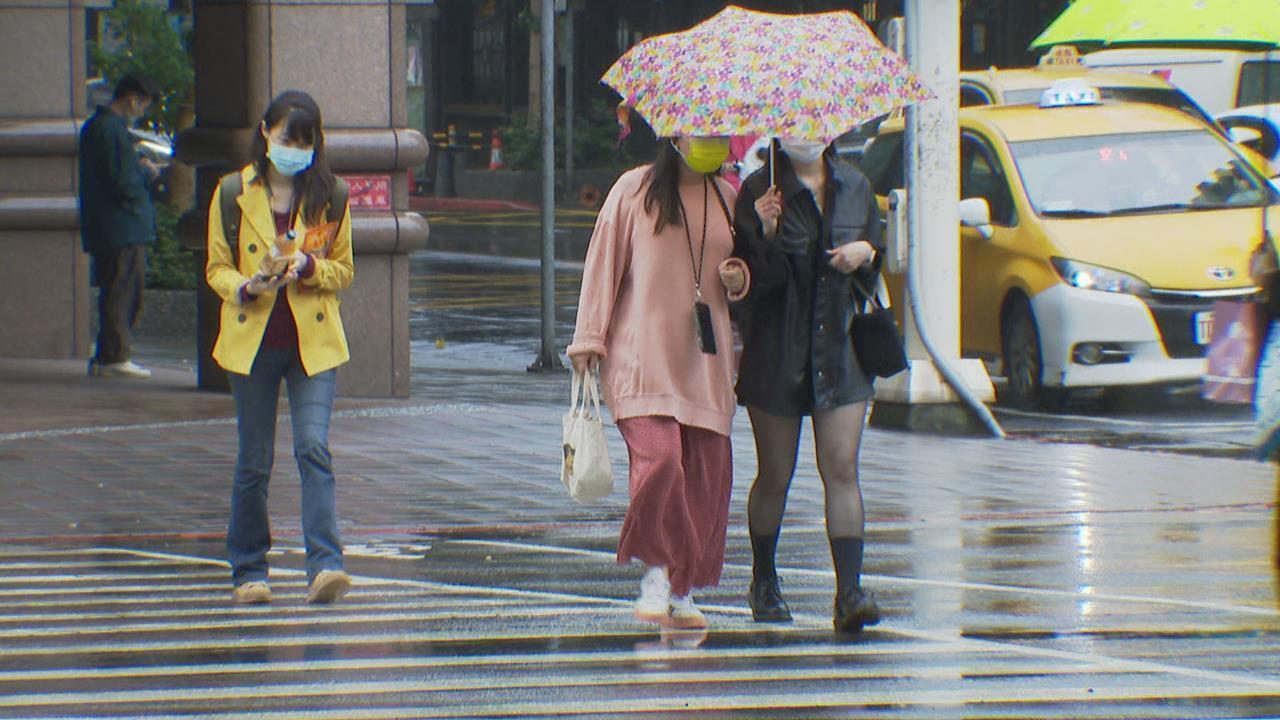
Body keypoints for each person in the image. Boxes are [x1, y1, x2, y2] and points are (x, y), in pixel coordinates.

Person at [568, 136, 750, 629]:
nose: (711, 142)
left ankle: (681, 588)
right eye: (701, 132)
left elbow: (747, 275)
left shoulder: (729, 198)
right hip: (641, 358)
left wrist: (740, 278)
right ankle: (657, 573)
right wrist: (588, 337)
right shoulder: (634, 189)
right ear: (674, 135)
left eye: (719, 133)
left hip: (705, 363)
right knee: (662, 461)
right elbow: (602, 264)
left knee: (706, 478)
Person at [731, 138, 886, 634]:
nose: (806, 135)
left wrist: (867, 253)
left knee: (841, 467)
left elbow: (876, 258)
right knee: (775, 473)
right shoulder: (759, 190)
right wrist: (767, 232)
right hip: (777, 349)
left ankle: (850, 592)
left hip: (839, 348)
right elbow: (748, 286)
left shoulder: (855, 186)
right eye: (793, 126)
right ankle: (764, 580)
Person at [206, 90, 354, 605]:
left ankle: (326, 566)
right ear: (265, 132)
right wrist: (247, 286)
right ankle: (249, 571)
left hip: (313, 344)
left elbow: (344, 269)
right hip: (253, 342)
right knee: (254, 460)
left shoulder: (331, 195)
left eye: (305, 141)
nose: (294, 149)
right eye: (287, 138)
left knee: (313, 448)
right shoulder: (232, 193)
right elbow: (216, 267)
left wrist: (310, 267)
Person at [78, 73, 162, 379]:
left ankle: (108, 356)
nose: (142, 111)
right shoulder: (109, 129)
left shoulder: (100, 127)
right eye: (144, 105)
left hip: (112, 225)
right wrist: (144, 174)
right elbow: (122, 182)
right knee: (123, 290)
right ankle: (114, 356)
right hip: (121, 226)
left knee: (117, 288)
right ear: (132, 99)